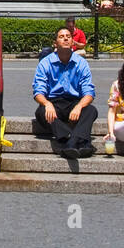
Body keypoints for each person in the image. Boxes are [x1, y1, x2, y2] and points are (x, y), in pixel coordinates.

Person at [31, 27, 97, 157]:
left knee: (91, 110)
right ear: (55, 43)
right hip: (54, 104)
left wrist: (79, 106)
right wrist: (47, 104)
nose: (65, 38)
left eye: (68, 36)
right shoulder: (45, 63)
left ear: (73, 42)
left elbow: (89, 92)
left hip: (73, 103)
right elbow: (38, 91)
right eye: (61, 36)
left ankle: (70, 141)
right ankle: (81, 140)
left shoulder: (81, 63)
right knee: (41, 112)